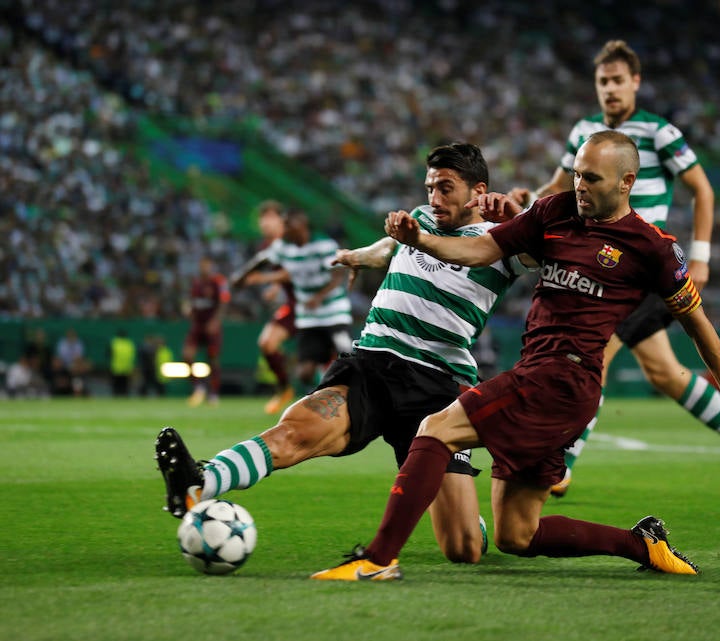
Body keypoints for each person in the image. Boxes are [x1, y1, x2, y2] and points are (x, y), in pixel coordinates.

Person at [311, 131, 720, 581]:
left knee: (434, 428)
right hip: (542, 378)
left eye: (592, 178)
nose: (579, 185)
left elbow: (697, 322)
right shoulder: (555, 211)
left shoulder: (653, 248)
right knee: (518, 535)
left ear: (627, 183)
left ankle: (376, 560)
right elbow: (480, 249)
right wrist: (423, 240)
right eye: (577, 173)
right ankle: (642, 546)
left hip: (564, 381)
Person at [155, 143, 531, 563]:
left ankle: (467, 518)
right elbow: (388, 247)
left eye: (446, 188)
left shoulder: (503, 241)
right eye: (429, 188)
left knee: (463, 549)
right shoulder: (421, 218)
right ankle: (201, 482)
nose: (434, 199)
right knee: (296, 431)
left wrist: (519, 217)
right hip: (374, 362)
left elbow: (541, 250)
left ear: (478, 190)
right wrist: (359, 256)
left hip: (437, 386)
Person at [509, 39, 720, 500]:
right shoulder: (585, 132)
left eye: (617, 81)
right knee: (665, 374)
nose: (610, 89)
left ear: (635, 83)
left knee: (593, 354)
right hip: (601, 266)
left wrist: (702, 256)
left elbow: (702, 190)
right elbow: (556, 185)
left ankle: (561, 462)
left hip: (641, 270)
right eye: (602, 81)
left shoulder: (659, 133)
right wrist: (524, 204)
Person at [239, 209, 353, 397]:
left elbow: (338, 274)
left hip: (335, 314)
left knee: (348, 355)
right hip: (307, 318)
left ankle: (356, 394)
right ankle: (320, 392)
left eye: (287, 226)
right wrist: (241, 276)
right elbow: (263, 259)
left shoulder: (324, 244)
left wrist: (319, 297)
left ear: (300, 226)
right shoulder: (284, 247)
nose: (284, 230)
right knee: (304, 373)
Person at [230, 201, 298, 414]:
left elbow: (298, 270)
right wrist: (276, 286)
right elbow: (285, 270)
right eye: (262, 218)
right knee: (267, 343)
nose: (265, 223)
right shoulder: (269, 247)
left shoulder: (293, 240)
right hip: (294, 305)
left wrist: (264, 278)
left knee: (325, 357)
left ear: (281, 220)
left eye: (270, 217)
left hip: (316, 305)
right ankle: (285, 388)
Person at [183, 256, 230, 407]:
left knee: (213, 358)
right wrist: (188, 308)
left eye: (206, 265)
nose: (204, 268)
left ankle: (214, 393)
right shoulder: (196, 283)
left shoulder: (218, 281)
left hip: (211, 325)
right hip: (197, 325)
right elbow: (191, 301)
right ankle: (198, 387)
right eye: (201, 265)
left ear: (211, 266)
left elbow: (224, 302)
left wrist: (215, 321)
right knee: (187, 355)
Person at [108, 329, 136, 397]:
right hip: (127, 368)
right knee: (125, 386)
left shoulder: (114, 343)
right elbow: (133, 356)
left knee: (116, 385)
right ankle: (125, 397)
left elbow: (109, 354)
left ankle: (116, 398)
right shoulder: (130, 344)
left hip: (116, 367)